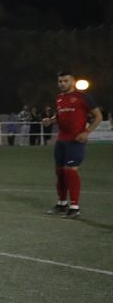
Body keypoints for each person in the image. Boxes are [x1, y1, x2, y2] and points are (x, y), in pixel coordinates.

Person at [44, 71, 103, 218]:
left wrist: (87, 132)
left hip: (76, 140)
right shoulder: (58, 98)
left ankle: (75, 207)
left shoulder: (83, 97)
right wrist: (50, 120)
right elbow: (59, 115)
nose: (62, 84)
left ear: (73, 81)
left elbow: (98, 116)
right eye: (60, 81)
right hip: (61, 140)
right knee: (60, 172)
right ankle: (62, 204)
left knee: (70, 171)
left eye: (65, 81)